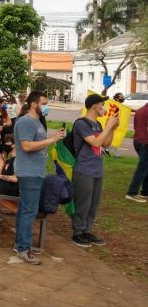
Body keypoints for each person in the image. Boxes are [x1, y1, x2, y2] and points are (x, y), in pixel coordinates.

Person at [13, 91, 64, 265]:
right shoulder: (26, 122)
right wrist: (52, 140)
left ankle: (20, 244)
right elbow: (26, 146)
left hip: (36, 171)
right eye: (44, 103)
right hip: (29, 172)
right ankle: (23, 248)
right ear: (34, 104)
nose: (46, 106)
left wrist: (52, 138)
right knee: (29, 211)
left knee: (26, 209)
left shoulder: (38, 122)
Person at [70, 94, 119, 247]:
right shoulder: (81, 124)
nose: (103, 107)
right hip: (84, 169)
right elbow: (96, 142)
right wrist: (109, 125)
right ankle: (77, 232)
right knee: (83, 202)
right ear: (93, 106)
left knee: (93, 203)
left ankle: (87, 230)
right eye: (101, 104)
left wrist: (112, 129)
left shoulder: (97, 124)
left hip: (97, 169)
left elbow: (105, 144)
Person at [125, 101, 148, 203]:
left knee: (145, 167)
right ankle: (132, 192)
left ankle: (145, 192)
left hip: (137, 141)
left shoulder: (140, 110)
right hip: (145, 143)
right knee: (142, 168)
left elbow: (136, 127)